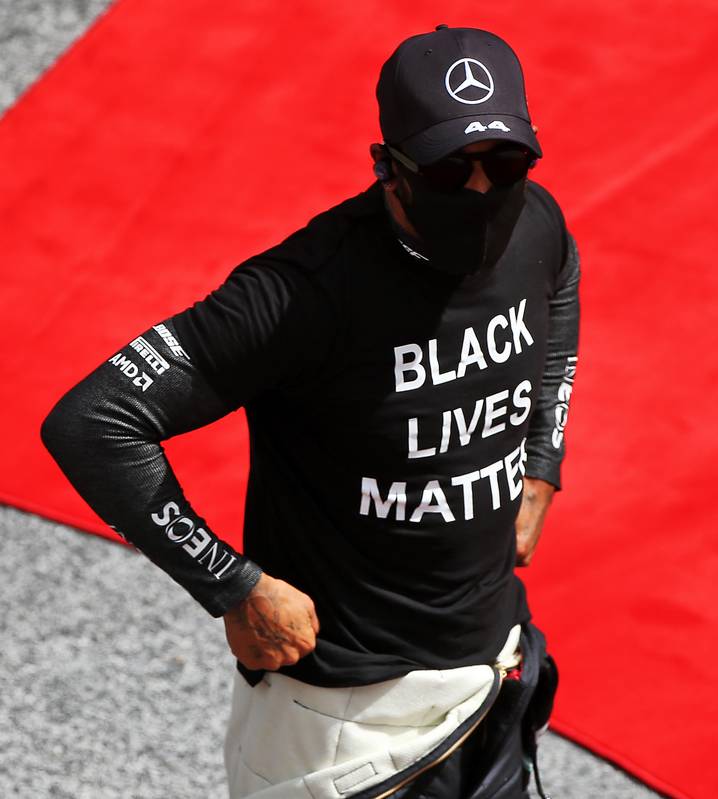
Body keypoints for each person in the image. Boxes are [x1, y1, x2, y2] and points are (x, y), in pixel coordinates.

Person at [41, 24, 579, 799]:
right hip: (341, 721)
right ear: (388, 169)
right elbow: (94, 420)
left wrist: (542, 459)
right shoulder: (303, 292)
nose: (483, 192)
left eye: (506, 164)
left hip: (490, 666)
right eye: (448, 169)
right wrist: (231, 583)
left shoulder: (538, 225)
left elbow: (561, 283)